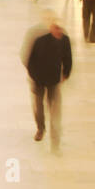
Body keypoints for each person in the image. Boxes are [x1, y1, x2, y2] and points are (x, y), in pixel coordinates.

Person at [21, 19, 72, 150]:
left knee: (54, 109)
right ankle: (40, 128)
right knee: (39, 106)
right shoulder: (41, 41)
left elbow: (68, 57)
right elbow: (29, 59)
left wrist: (66, 73)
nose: (58, 31)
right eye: (56, 28)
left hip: (54, 80)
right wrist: (33, 75)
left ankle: (55, 138)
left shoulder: (65, 40)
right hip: (38, 79)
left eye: (60, 29)